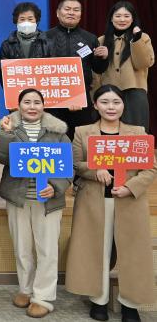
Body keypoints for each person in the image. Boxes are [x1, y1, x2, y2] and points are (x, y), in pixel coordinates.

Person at [66, 85, 156, 322]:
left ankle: (130, 305)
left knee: (132, 253)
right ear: (95, 105)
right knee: (97, 250)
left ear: (123, 105)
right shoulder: (82, 132)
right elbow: (76, 163)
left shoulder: (138, 132)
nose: (111, 107)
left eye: (116, 102)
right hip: (94, 202)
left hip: (129, 201)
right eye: (104, 102)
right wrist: (94, 170)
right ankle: (99, 300)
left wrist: (130, 187)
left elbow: (150, 168)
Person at [0, 89, 70, 318]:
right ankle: (26, 289)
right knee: (22, 248)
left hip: (48, 200)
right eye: (26, 102)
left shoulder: (58, 131)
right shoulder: (9, 126)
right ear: (18, 105)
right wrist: (6, 133)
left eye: (37, 102)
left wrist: (56, 187)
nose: (32, 106)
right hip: (18, 198)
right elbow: (3, 157)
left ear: (44, 106)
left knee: (47, 249)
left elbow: (69, 167)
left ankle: (43, 297)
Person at [45, 0, 103, 137]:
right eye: (67, 9)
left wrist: (102, 58)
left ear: (80, 14)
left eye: (76, 10)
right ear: (58, 13)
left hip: (81, 99)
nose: (71, 12)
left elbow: (98, 69)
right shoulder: (45, 37)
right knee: (54, 139)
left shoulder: (90, 38)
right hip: (53, 99)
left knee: (82, 139)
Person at [94, 1, 154, 131]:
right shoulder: (101, 40)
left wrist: (137, 40)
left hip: (135, 93)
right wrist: (95, 96)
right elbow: (96, 72)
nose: (122, 20)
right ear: (111, 18)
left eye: (127, 16)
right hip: (108, 94)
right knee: (110, 133)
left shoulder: (143, 37)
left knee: (136, 133)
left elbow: (143, 63)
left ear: (133, 19)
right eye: (118, 16)